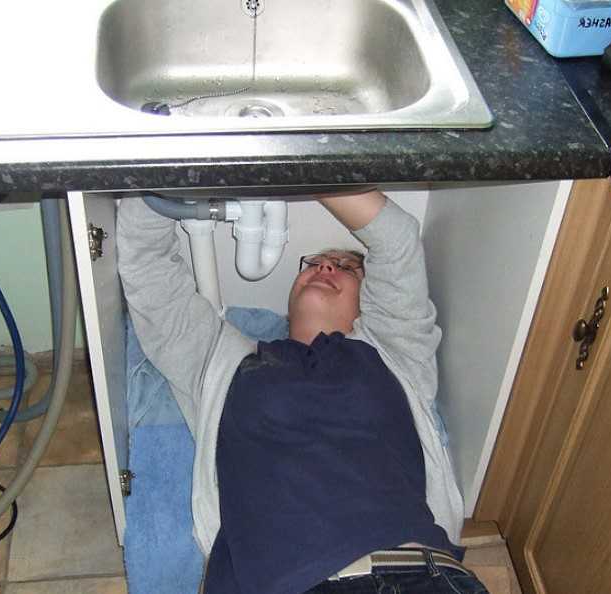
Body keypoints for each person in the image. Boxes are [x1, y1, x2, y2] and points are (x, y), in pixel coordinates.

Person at [116, 189, 489, 594]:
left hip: (419, 575)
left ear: (373, 303)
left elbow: (396, 238)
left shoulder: (395, 353)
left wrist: (296, 165)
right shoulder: (221, 363)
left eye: (347, 267)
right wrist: (187, 170)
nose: (326, 264)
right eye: (314, 263)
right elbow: (148, 267)